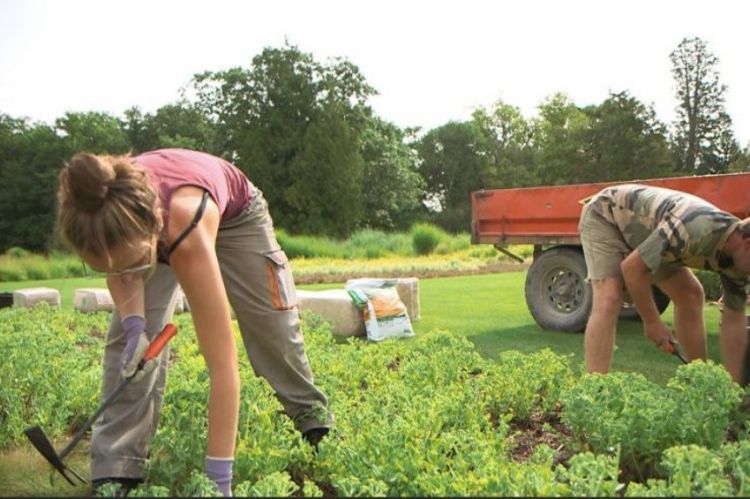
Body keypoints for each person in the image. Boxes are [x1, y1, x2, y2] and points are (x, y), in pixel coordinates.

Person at [57, 148, 333, 496]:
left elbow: (223, 367)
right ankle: (117, 468)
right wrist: (134, 330)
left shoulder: (185, 231)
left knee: (272, 328)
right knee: (120, 350)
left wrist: (217, 481)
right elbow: (120, 269)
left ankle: (312, 420)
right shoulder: (102, 216)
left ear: (151, 232)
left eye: (132, 263)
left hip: (234, 214)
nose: (120, 272)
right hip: (149, 229)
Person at [578, 183, 750, 382]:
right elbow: (632, 269)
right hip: (607, 215)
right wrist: (652, 322)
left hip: (651, 235)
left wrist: (733, 385)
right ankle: (594, 389)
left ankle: (699, 382)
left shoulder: (740, 264)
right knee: (610, 297)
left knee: (691, 294)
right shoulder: (696, 229)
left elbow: (734, 321)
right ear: (747, 245)